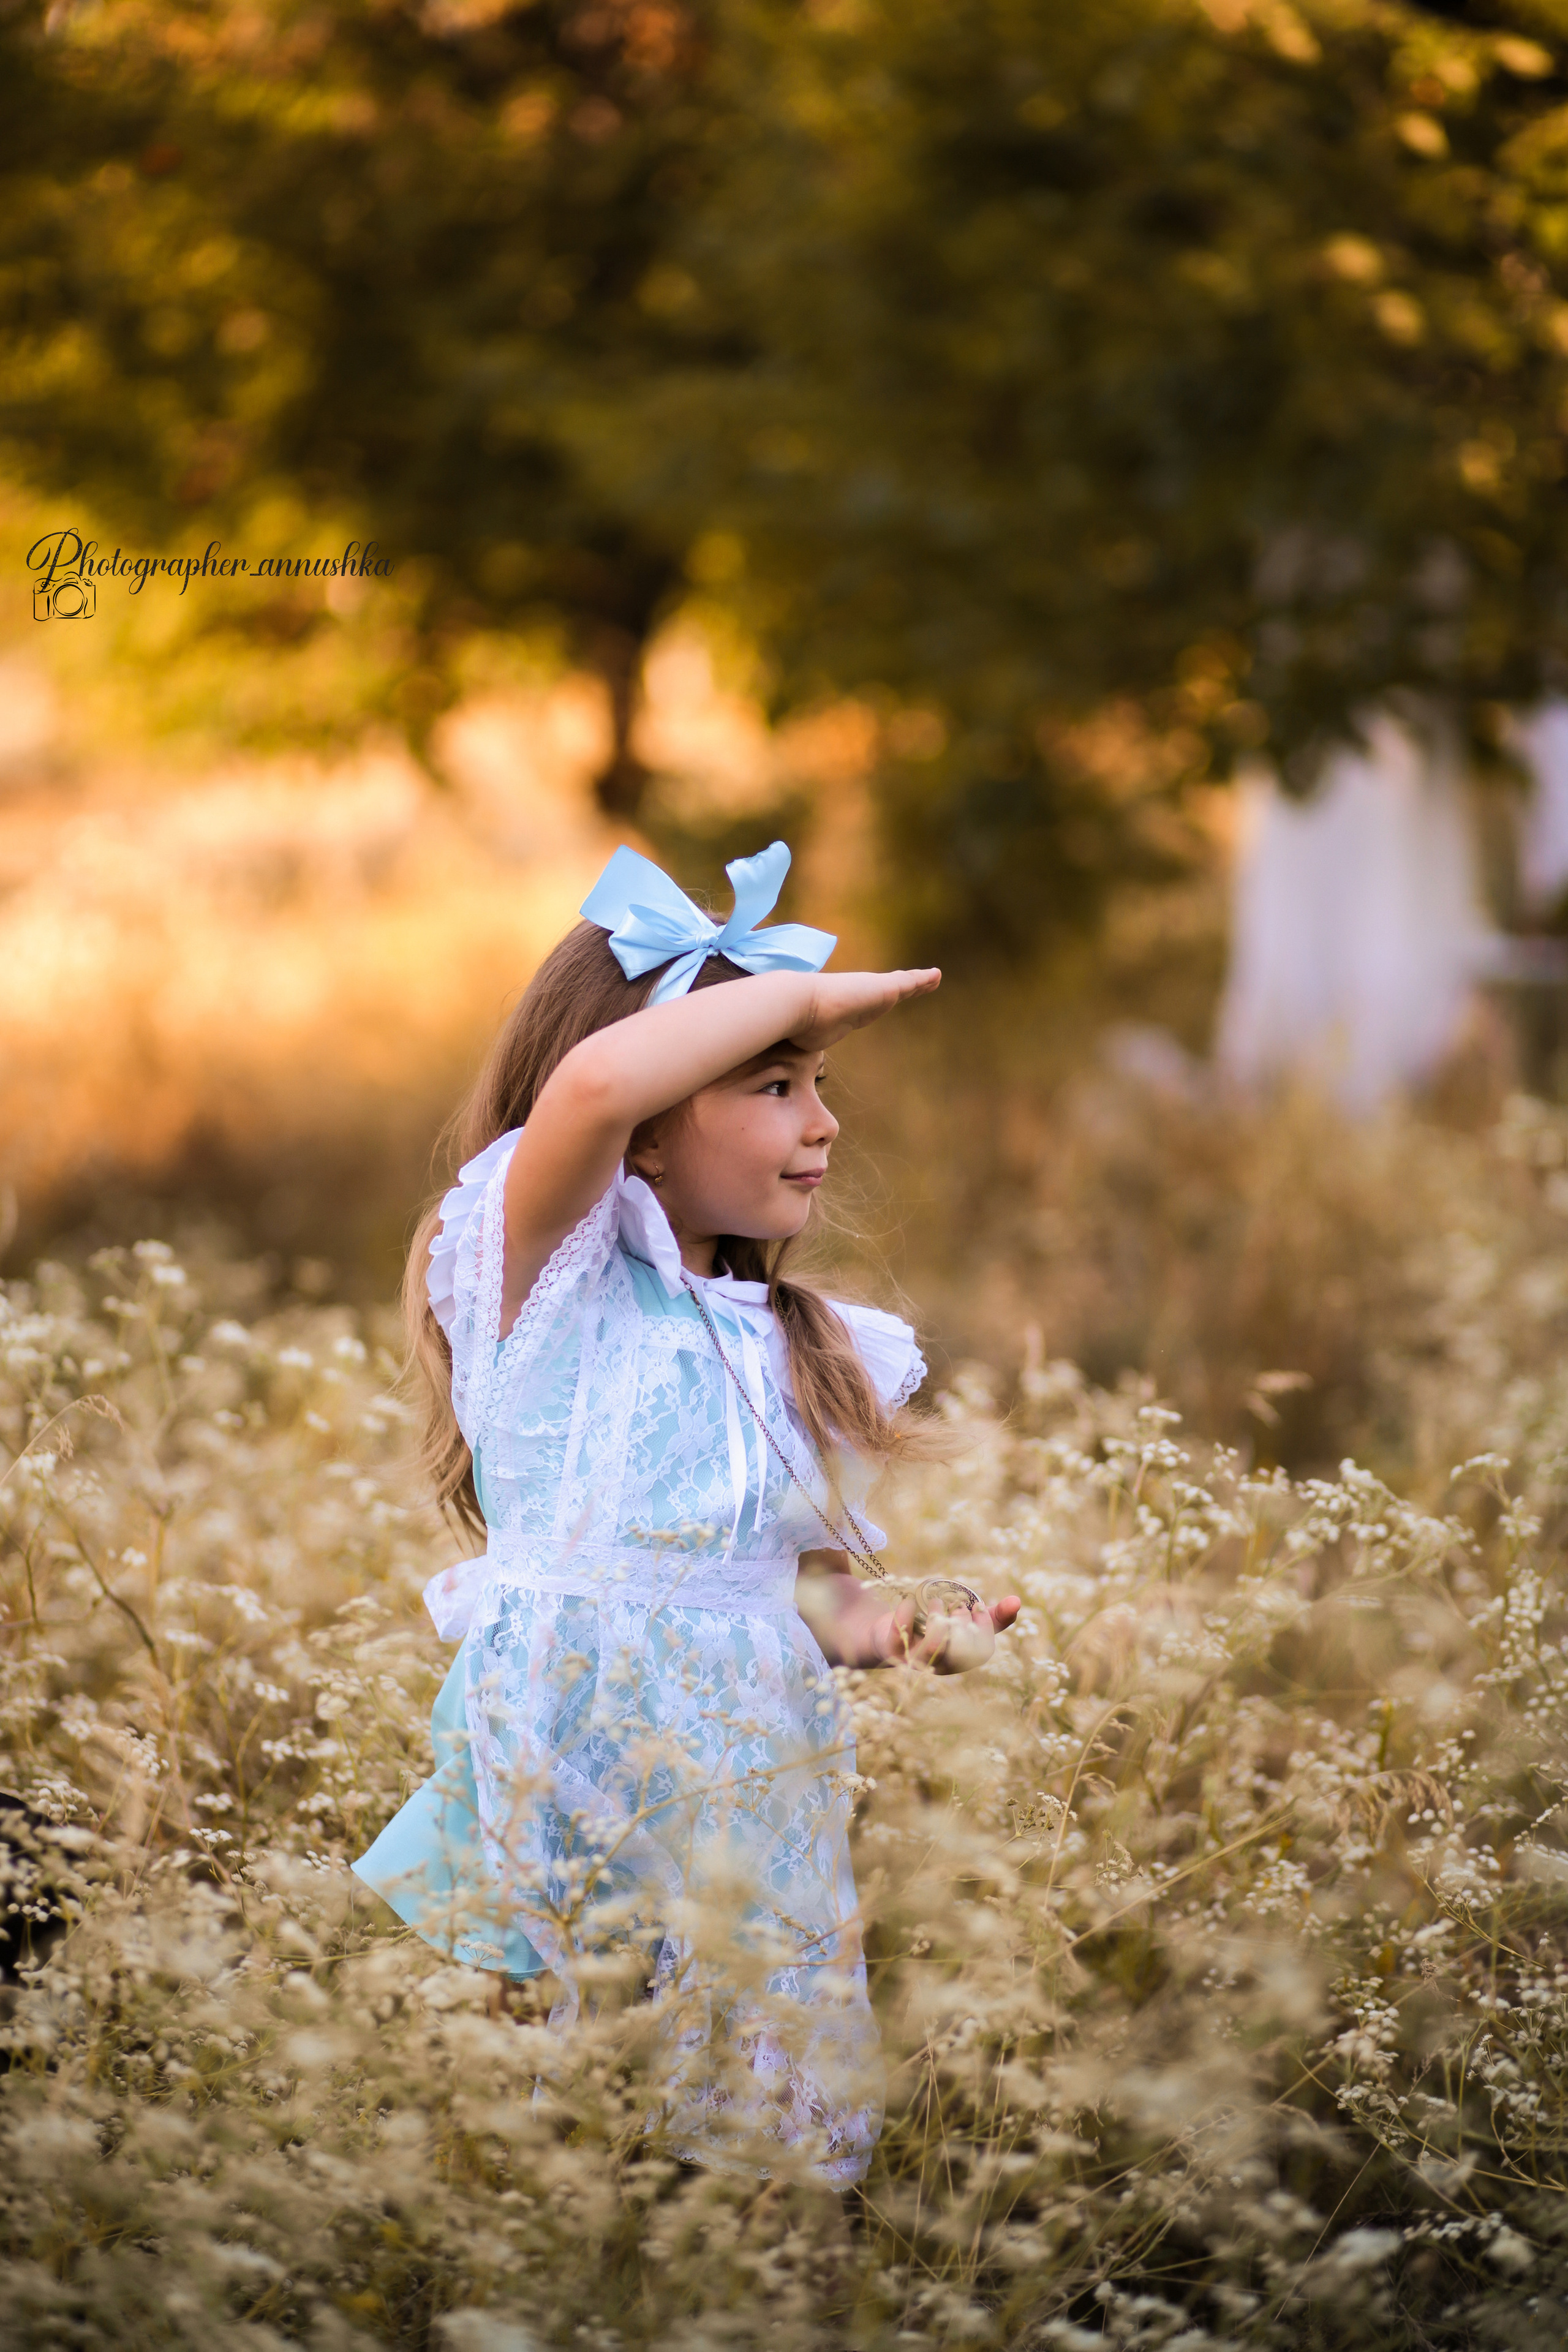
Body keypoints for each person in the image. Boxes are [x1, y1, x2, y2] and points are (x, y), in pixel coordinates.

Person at [353, 840, 1020, 2184]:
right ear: (648, 1128)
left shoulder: (809, 1341)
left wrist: (905, 1634)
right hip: (572, 1766)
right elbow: (592, 1080)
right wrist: (812, 995)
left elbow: (807, 1593)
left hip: (750, 1792)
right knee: (570, 2120)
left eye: (818, 1083)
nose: (819, 1119)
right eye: (774, 1084)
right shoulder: (538, 1286)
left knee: (750, 2150)